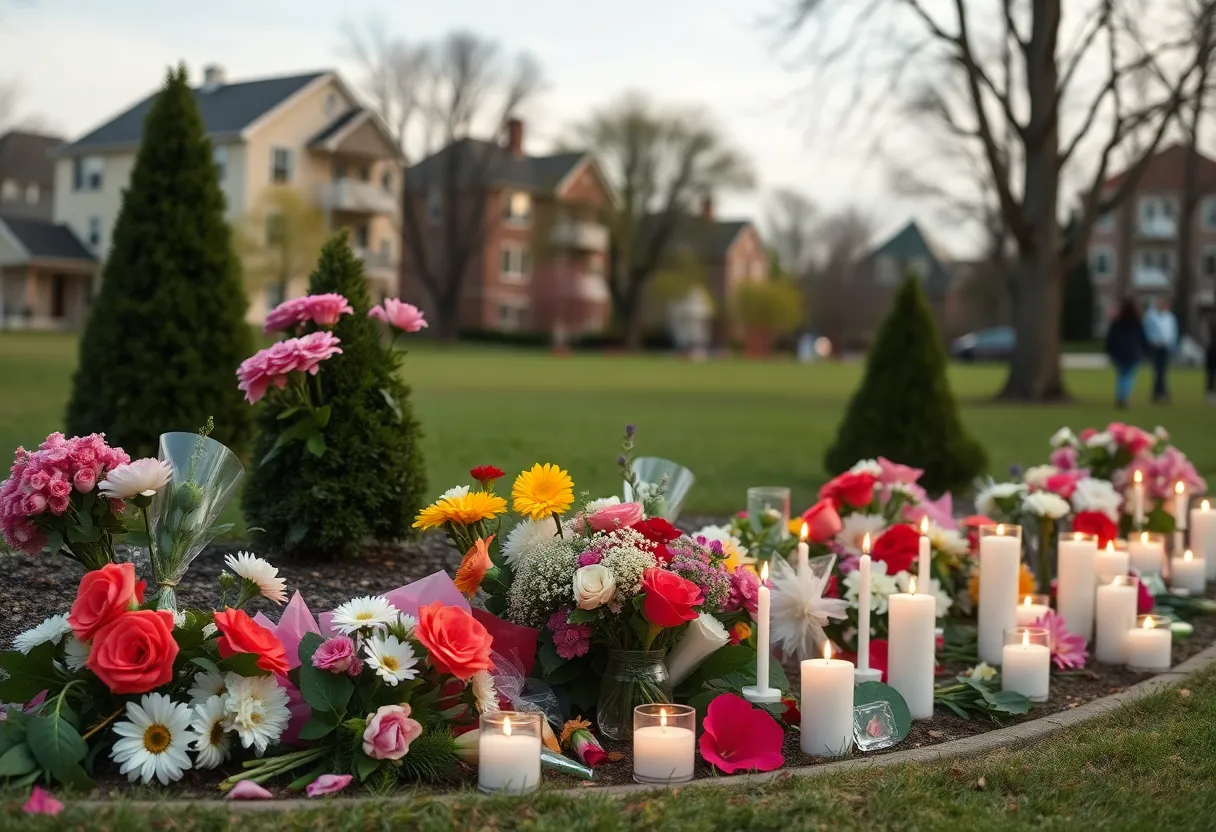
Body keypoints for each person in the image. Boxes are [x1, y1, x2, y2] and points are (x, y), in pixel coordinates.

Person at [1105, 298, 1147, 409]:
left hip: (1119, 353)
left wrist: (1109, 351)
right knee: (1128, 376)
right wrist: (1144, 351)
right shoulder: (1137, 323)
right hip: (1132, 353)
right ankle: (1124, 397)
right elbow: (1143, 339)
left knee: (1121, 376)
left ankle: (1121, 396)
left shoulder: (1117, 323)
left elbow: (1110, 339)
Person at [1142, 295, 1178, 403]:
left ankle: (1159, 392)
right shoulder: (1151, 317)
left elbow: (1173, 332)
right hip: (1156, 346)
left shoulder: (1170, 317)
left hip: (1166, 346)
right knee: (1158, 370)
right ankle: (1161, 392)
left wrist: (1172, 344)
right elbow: (1147, 332)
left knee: (1163, 371)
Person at [1204, 308, 1216, 405]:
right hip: (1211, 349)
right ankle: (1210, 393)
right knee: (1210, 372)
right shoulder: (1209, 320)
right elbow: (1205, 335)